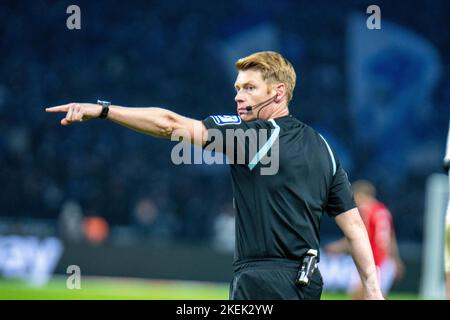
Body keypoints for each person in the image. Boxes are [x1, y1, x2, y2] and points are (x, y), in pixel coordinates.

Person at [46, 51, 383, 300]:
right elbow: (353, 226)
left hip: (261, 282)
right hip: (307, 284)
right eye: (237, 88)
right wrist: (372, 288)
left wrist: (104, 110)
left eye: (250, 88)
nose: (238, 95)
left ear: (278, 93)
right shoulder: (324, 147)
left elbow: (170, 125)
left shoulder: (256, 137)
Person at [325, 180, 405, 299]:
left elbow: (358, 235)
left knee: (359, 295)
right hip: (385, 261)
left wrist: (337, 247)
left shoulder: (366, 210)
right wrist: (395, 259)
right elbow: (391, 238)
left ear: (361, 195)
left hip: (373, 260)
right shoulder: (383, 210)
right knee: (377, 294)